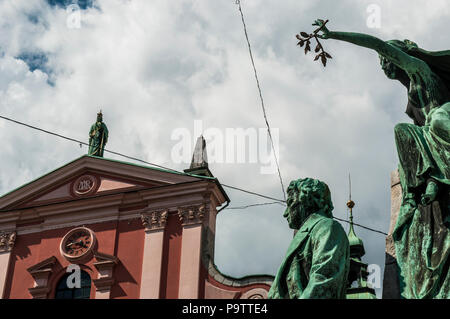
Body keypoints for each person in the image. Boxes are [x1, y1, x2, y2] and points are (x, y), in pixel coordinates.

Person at [313, 20, 450, 298]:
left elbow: (376, 43)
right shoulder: (411, 88)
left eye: (384, 60)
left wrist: (334, 35)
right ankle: (426, 181)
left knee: (416, 127)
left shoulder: (419, 70)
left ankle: (431, 179)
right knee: (405, 131)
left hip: (443, 123)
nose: (383, 65)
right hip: (429, 136)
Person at [268, 178, 350, 299]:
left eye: (290, 203)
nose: (285, 213)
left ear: (305, 201)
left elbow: (323, 281)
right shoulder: (305, 234)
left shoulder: (327, 227)